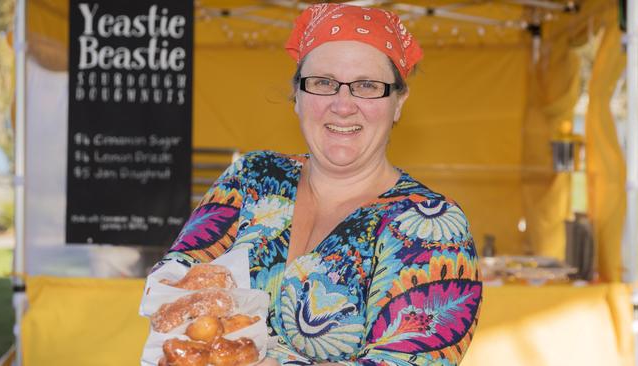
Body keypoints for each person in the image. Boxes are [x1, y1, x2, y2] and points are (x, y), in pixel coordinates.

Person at [153, 3, 482, 365]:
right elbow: (172, 288)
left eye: (367, 86)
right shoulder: (253, 177)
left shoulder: (430, 225)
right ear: (298, 96)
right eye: (323, 83)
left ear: (398, 101)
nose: (342, 105)